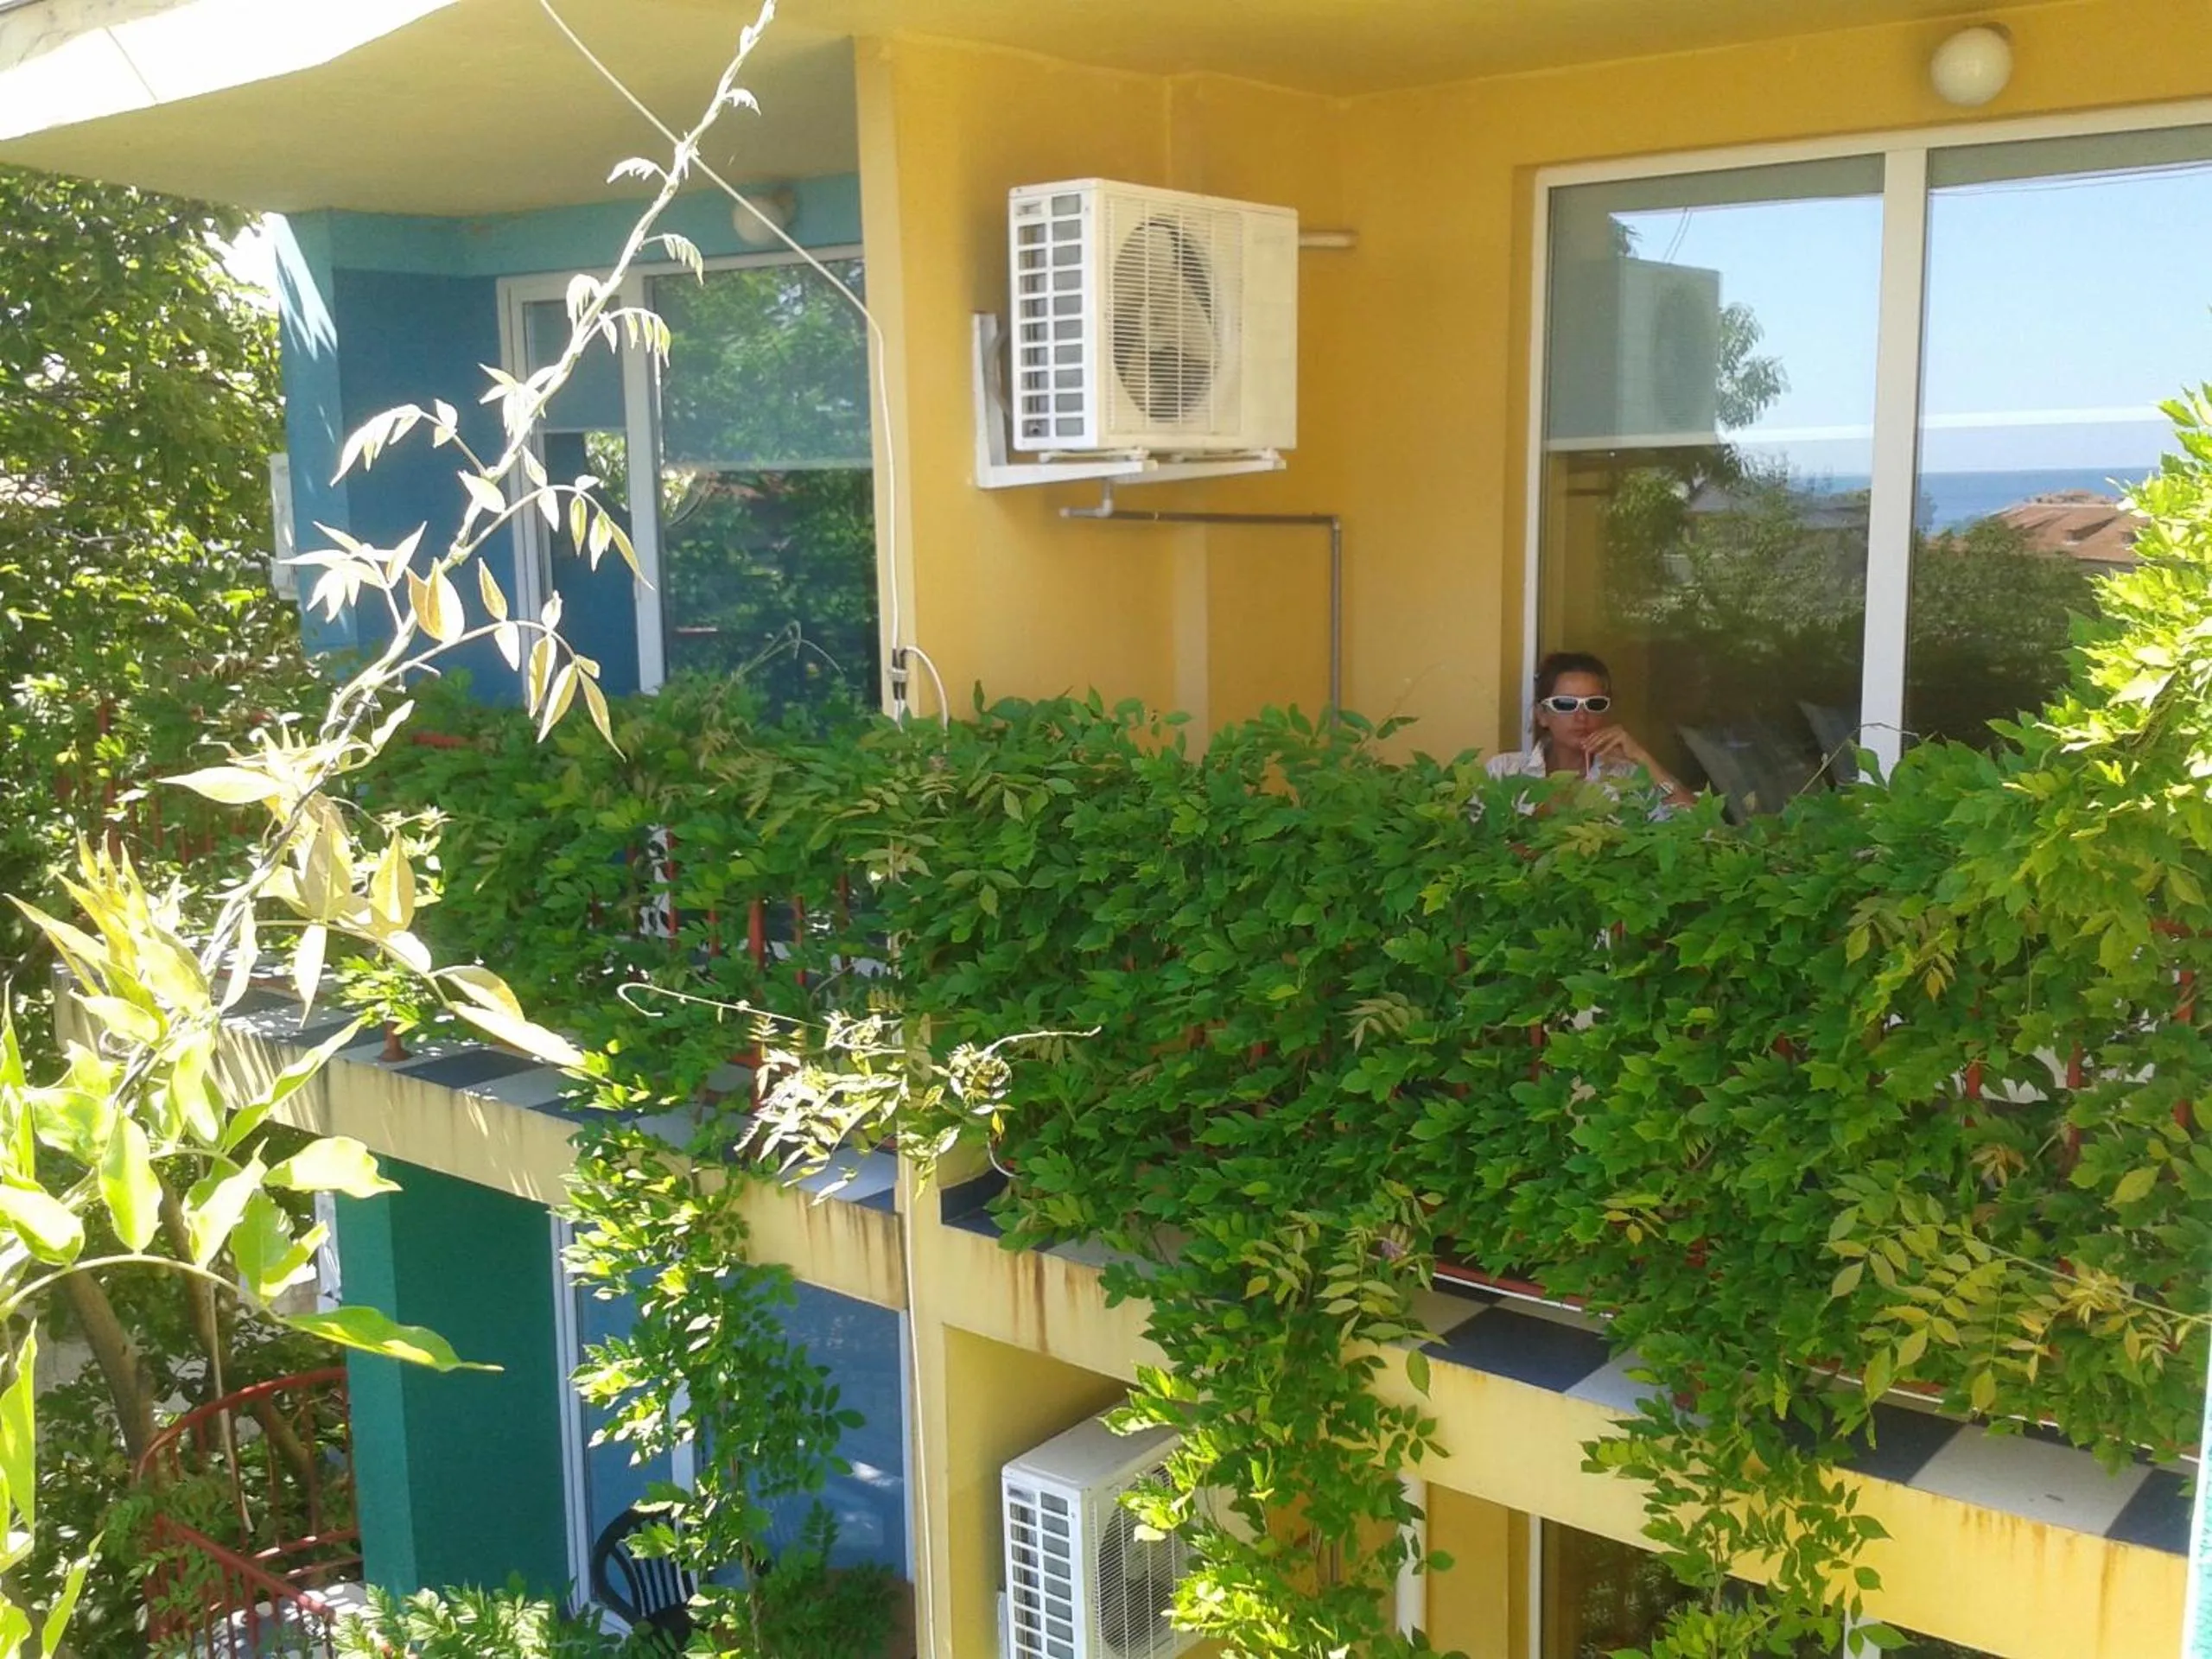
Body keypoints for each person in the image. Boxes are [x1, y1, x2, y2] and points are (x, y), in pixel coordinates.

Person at [1484, 651, 1695, 811]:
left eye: (1594, 704)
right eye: (1565, 704)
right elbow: (1471, 845)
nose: (1581, 716)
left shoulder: (1628, 779)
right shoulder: (1505, 772)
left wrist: (1642, 758)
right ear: (1542, 715)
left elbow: (1700, 827)